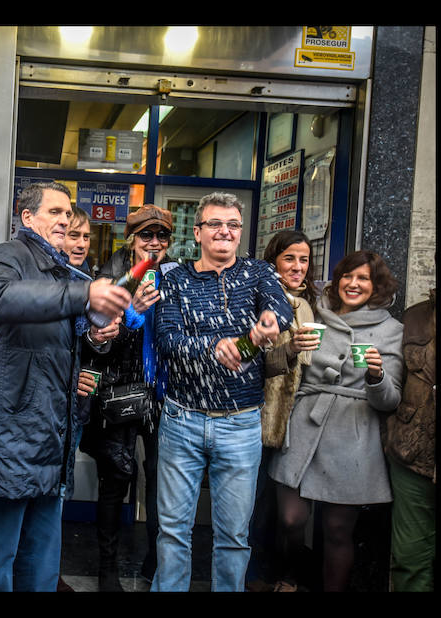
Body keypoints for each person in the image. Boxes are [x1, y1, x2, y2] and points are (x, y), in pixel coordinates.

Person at [0, 181, 132, 591]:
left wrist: (95, 337)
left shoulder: (62, 269)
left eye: (68, 213)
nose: (65, 220)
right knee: (0, 559)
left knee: (42, 559)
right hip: (7, 436)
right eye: (55, 212)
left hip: (50, 435)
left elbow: (55, 347)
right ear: (27, 217)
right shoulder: (9, 255)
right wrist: (84, 293)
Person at [151, 192, 292, 592]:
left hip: (241, 423)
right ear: (197, 232)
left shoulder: (259, 272)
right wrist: (214, 348)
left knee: (233, 537)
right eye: (215, 224)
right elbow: (167, 339)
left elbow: (280, 310)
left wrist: (268, 322)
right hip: (183, 419)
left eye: (232, 225)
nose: (224, 232)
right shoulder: (174, 277)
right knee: (173, 531)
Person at [269, 250, 403, 591]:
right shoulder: (313, 314)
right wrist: (293, 348)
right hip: (304, 425)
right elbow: (275, 366)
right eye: (347, 276)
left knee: (338, 531)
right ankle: (291, 575)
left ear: (376, 286)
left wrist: (376, 376)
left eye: (363, 279)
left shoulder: (391, 331)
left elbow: (390, 400)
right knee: (290, 519)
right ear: (337, 279)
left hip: (353, 435)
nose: (353, 284)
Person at [79, 204, 177, 590]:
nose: (153, 244)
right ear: (132, 239)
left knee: (160, 480)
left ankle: (156, 563)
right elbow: (100, 347)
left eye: (161, 237)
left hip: (162, 396)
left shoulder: (176, 276)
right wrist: (133, 314)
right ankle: (108, 569)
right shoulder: (110, 278)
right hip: (118, 395)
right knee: (116, 481)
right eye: (145, 236)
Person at [245, 230, 320, 591]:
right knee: (257, 506)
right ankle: (254, 576)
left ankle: (278, 575)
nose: (297, 266)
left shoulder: (311, 304)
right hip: (262, 416)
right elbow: (256, 362)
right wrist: (290, 350)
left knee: (282, 511)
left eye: (303, 259)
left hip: (298, 424)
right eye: (289, 258)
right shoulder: (260, 296)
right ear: (274, 259)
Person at [56, 207, 119, 592]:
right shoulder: (49, 282)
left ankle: (48, 570)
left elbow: (93, 349)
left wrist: (100, 339)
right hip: (45, 405)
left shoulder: (92, 282)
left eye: (85, 237)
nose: (80, 243)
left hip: (76, 406)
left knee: (62, 490)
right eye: (72, 235)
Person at [384, 288, 435, 591]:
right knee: (408, 561)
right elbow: (394, 383)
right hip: (412, 459)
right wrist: (393, 433)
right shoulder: (414, 317)